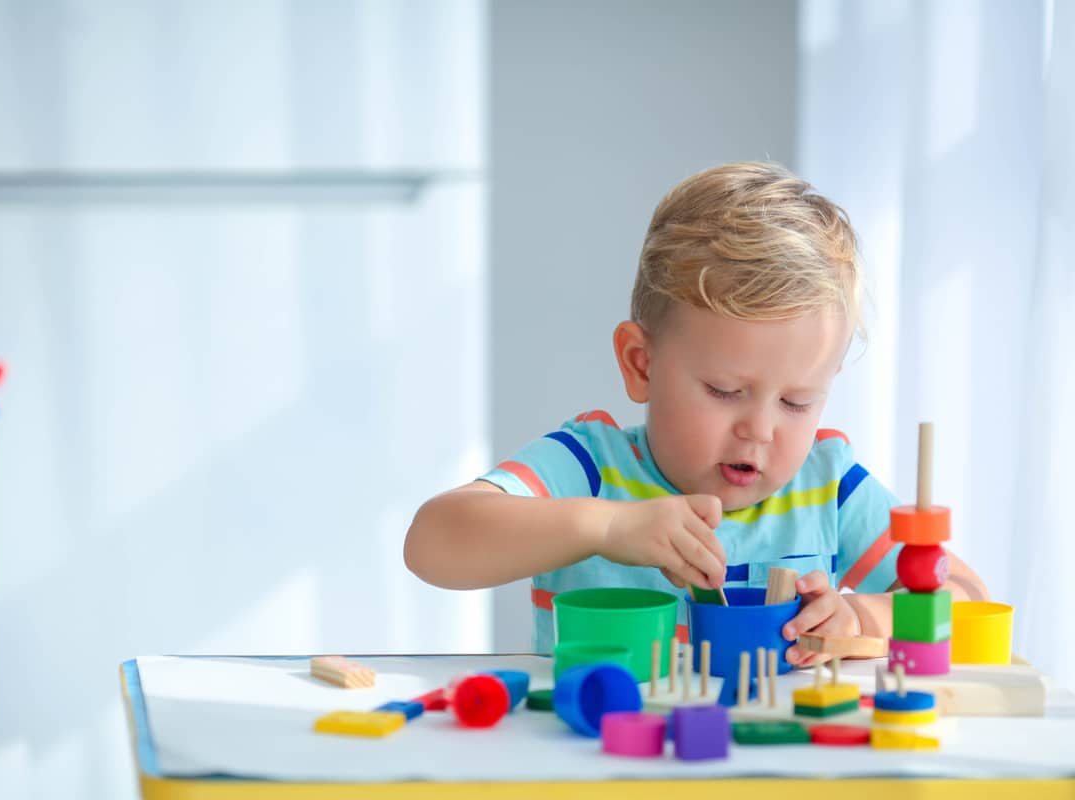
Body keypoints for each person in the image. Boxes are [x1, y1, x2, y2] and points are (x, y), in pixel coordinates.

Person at [403, 162, 988, 665]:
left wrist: (863, 616)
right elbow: (432, 544)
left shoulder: (826, 484)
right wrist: (606, 528)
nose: (759, 430)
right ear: (641, 364)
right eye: (724, 390)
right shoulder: (588, 468)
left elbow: (968, 603)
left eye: (796, 402)